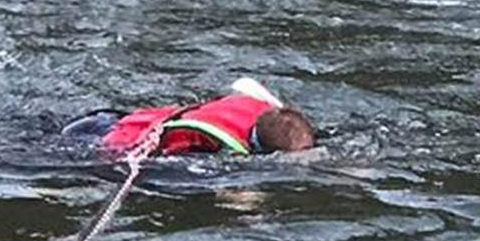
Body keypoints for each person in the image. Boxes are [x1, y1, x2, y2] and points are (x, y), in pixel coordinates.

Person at [0, 51, 317, 154]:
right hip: (91, 135)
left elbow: (253, 88)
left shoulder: (253, 106)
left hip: (105, 115)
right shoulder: (219, 145)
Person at [61, 77, 317, 155]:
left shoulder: (260, 106)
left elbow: (242, 84)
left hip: (130, 117)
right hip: (103, 133)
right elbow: (161, 150)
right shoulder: (205, 138)